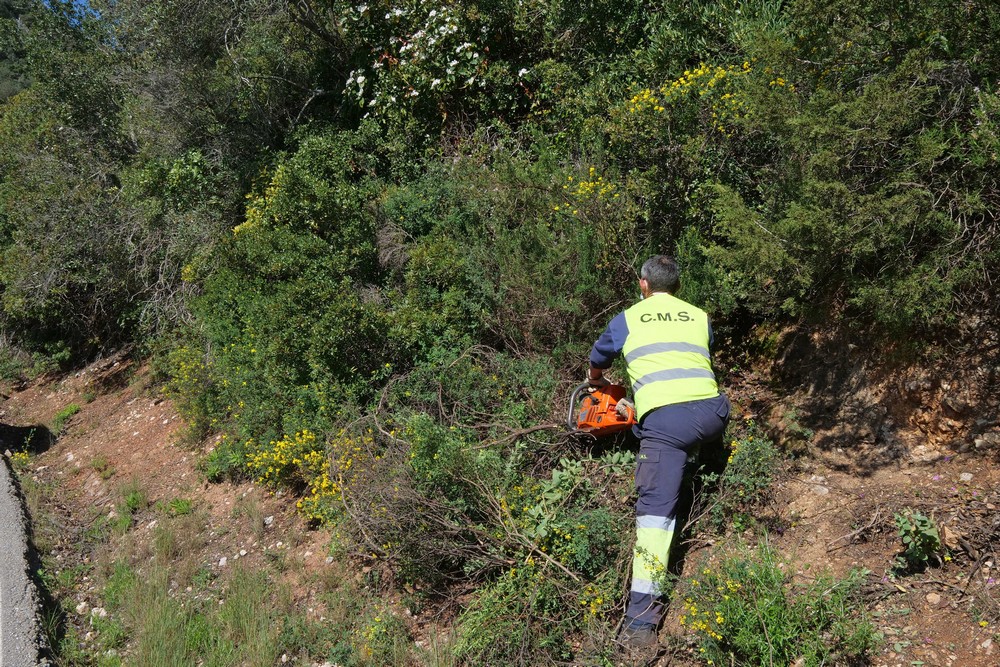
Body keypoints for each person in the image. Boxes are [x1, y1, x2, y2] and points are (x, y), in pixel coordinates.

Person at [587, 255, 730, 648]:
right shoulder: (698, 315)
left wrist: (595, 380)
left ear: (643, 284)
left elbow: (598, 358)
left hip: (669, 427)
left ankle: (639, 624)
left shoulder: (628, 318)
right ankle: (709, 468)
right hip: (714, 413)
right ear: (677, 286)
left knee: (654, 518)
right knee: (677, 428)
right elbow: (694, 361)